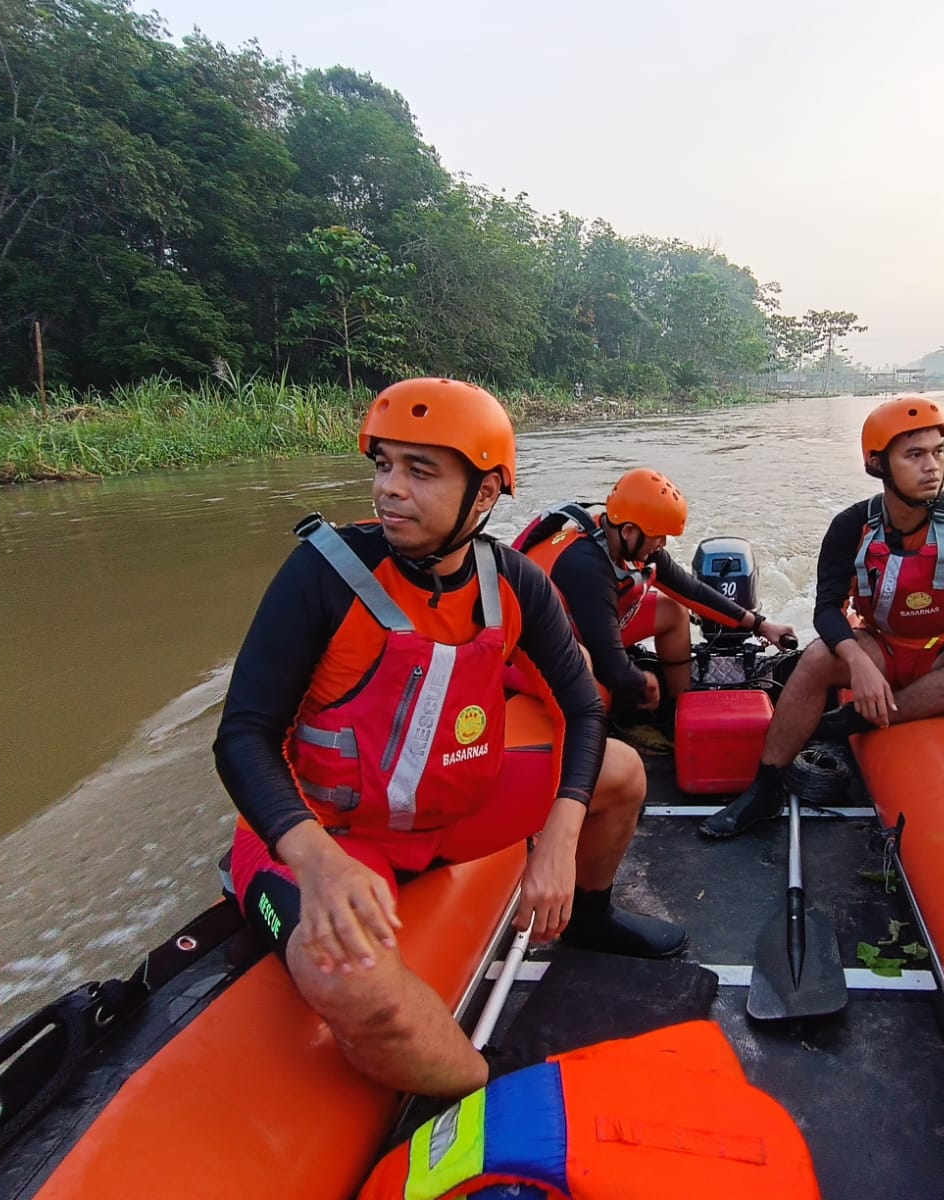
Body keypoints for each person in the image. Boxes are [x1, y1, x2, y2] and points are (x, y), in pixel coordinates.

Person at [213, 378, 686, 1101]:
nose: (389, 489)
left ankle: (590, 919)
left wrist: (559, 840)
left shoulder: (514, 583)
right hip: (336, 834)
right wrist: (315, 861)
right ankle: (490, 1090)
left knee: (620, 772)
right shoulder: (323, 574)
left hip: (455, 812)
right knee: (355, 988)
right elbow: (243, 734)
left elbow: (583, 710)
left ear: (486, 492)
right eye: (384, 465)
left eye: (420, 470)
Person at [700, 396, 944, 838]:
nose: (932, 466)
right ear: (877, 464)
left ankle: (851, 720)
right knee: (818, 657)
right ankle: (765, 789)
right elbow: (827, 608)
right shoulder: (851, 526)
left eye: (938, 452)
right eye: (914, 455)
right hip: (884, 644)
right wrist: (856, 662)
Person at [516, 468, 794, 724]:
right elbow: (612, 665)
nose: (663, 544)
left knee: (672, 611)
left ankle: (678, 714)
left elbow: (692, 591)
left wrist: (760, 625)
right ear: (629, 531)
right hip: (529, 652)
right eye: (659, 536)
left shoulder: (623, 537)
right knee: (599, 698)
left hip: (582, 628)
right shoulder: (587, 568)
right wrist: (642, 682)